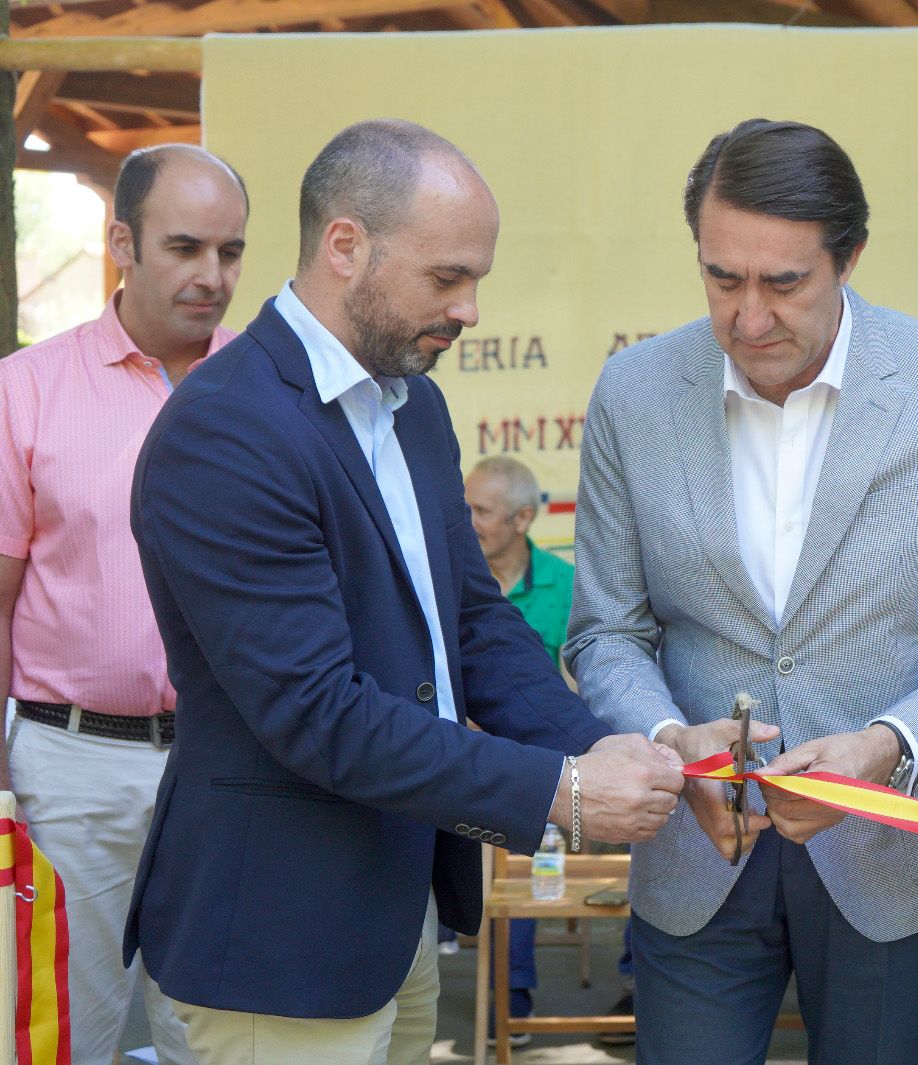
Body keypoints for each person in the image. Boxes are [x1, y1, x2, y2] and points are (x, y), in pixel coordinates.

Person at [126, 119, 684, 1065]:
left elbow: (470, 621)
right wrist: (565, 790)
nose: (469, 309)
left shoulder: (412, 402)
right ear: (346, 246)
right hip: (279, 937)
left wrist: (607, 744)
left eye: (477, 280)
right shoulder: (224, 430)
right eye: (446, 277)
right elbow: (317, 712)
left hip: (398, 912)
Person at [565, 117, 918, 1065]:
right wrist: (671, 746)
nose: (747, 316)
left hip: (893, 853)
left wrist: (883, 750)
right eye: (721, 278)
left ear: (850, 256)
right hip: (697, 845)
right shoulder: (634, 392)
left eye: (783, 283)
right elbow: (604, 633)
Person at [0, 144, 248, 1065]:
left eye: (230, 253)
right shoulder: (24, 390)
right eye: (185, 247)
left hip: (225, 766)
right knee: (63, 1037)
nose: (211, 277)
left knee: (218, 1038)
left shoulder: (266, 391)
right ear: (121, 243)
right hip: (70, 768)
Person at [463, 455, 635, 1046]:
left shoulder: (567, 586)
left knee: (658, 827)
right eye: (463, 508)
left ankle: (640, 986)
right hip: (473, 763)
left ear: (523, 518)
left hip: (564, 758)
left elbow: (589, 684)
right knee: (510, 832)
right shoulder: (449, 582)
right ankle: (510, 1000)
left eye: (479, 510)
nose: (467, 521)